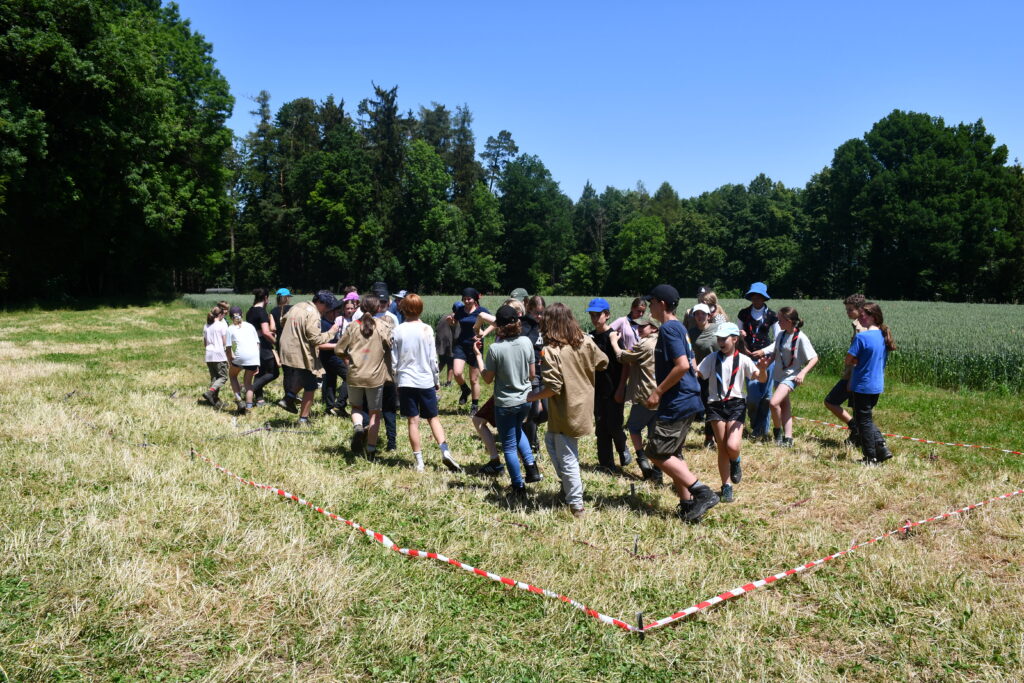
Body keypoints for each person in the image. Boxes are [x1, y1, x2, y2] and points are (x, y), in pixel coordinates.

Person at [643, 284, 720, 524]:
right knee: (673, 452)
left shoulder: (669, 329)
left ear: (662, 304)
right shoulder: (679, 328)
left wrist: (658, 391)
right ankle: (687, 504)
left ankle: (702, 492)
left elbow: (682, 365)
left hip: (678, 400)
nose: (649, 306)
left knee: (656, 451)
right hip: (687, 398)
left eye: (652, 302)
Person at [526, 303, 607, 518]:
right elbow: (603, 361)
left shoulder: (553, 351)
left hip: (566, 409)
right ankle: (569, 487)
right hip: (581, 407)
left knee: (568, 457)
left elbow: (553, 387)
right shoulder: (586, 341)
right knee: (550, 441)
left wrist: (530, 397)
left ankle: (577, 505)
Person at [696, 323, 769, 503]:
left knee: (732, 446)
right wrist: (689, 364)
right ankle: (726, 485)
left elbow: (760, 378)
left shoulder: (743, 359)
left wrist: (764, 369)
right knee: (722, 447)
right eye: (719, 339)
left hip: (736, 404)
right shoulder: (712, 358)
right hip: (715, 405)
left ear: (735, 339)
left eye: (724, 339)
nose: (720, 342)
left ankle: (736, 461)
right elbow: (699, 374)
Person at [475, 304, 543, 495]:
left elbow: (487, 379)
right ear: (517, 322)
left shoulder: (496, 349)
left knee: (509, 446)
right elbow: (531, 374)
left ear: (499, 326)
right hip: (525, 400)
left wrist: (479, 356)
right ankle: (531, 467)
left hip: (505, 402)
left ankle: (518, 485)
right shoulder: (526, 343)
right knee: (518, 430)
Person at [392, 293, 462, 472]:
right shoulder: (427, 329)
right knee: (433, 418)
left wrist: (396, 380)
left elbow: (394, 360)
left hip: (406, 380)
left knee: (412, 421)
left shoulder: (398, 330)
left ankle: (419, 462)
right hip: (425, 380)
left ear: (403, 308)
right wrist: (436, 380)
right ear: (420, 309)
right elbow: (433, 359)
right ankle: (445, 451)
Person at [336, 294, 394, 457]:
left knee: (356, 407)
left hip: (354, 374)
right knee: (375, 412)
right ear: (378, 308)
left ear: (360, 307)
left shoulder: (353, 326)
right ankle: (371, 449)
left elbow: (339, 350)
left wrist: (348, 360)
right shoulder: (382, 326)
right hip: (375, 377)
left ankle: (358, 427)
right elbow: (391, 344)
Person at [755, 307, 819, 447]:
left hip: (791, 377)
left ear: (789, 321)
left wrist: (803, 372)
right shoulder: (780, 335)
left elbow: (814, 358)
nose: (778, 323)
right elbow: (775, 354)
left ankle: (777, 433)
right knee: (785, 406)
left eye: (781, 320)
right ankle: (788, 439)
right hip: (778, 375)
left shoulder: (801, 337)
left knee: (773, 403)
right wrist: (765, 364)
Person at [611, 311, 663, 482]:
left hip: (645, 395)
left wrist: (614, 343)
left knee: (633, 428)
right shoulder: (661, 342)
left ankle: (642, 460)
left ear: (654, 328)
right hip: (660, 394)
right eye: (637, 325)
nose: (638, 328)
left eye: (643, 326)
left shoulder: (645, 344)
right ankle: (658, 472)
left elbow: (622, 357)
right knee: (655, 435)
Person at [277, 290, 340, 425]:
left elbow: (282, 321)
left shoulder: (298, 306)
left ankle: (288, 398)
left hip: (286, 348)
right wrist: (331, 332)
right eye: (327, 306)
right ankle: (303, 419)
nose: (328, 309)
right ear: (320, 303)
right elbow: (315, 339)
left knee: (306, 377)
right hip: (300, 351)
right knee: (311, 385)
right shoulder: (313, 314)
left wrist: (294, 330)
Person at [846, 302, 896, 465]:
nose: (860, 319)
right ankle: (880, 449)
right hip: (876, 385)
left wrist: (856, 361)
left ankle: (871, 457)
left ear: (873, 317)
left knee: (863, 422)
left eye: (863, 316)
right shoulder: (883, 336)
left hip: (862, 384)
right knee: (866, 419)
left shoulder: (862, 337)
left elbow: (849, 359)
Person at [587, 297, 631, 472]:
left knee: (614, 425)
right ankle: (606, 464)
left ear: (607, 315)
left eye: (598, 315)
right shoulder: (590, 338)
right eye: (592, 315)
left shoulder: (614, 337)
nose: (595, 318)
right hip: (597, 390)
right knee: (601, 427)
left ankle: (622, 447)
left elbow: (625, 364)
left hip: (614, 388)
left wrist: (621, 387)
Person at [736, 282, 780, 440]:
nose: (756, 299)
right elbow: (737, 336)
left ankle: (762, 431)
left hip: (767, 359)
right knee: (754, 397)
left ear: (764, 297)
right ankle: (755, 424)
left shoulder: (773, 316)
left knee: (766, 397)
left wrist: (764, 351)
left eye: (759, 296)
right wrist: (743, 345)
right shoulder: (743, 314)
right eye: (754, 296)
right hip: (748, 358)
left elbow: (778, 340)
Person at [824, 294, 867, 446]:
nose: (847, 312)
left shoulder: (861, 329)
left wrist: (851, 378)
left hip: (852, 375)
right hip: (855, 375)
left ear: (861, 309)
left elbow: (859, 356)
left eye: (850, 310)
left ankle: (857, 430)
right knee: (858, 409)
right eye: (846, 309)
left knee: (830, 401)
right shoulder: (859, 325)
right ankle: (858, 435)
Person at [446, 287, 490, 415]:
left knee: (474, 379)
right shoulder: (460, 310)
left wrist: (483, 334)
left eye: (469, 299)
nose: (466, 301)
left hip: (476, 346)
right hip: (461, 345)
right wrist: (451, 322)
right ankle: (465, 390)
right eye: (464, 299)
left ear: (475, 299)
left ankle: (474, 406)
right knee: (457, 372)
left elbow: (494, 323)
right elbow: (455, 322)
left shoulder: (482, 311)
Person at [689, 302, 720, 449]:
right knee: (703, 406)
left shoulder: (717, 328)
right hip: (700, 374)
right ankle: (708, 437)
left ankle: (710, 438)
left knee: (713, 406)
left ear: (708, 316)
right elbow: (690, 353)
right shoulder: (691, 332)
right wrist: (694, 369)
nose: (700, 316)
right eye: (697, 314)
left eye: (703, 313)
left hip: (718, 372)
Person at [521, 295, 547, 453]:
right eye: (536, 313)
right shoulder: (523, 325)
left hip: (546, 372)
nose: (539, 316)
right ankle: (531, 444)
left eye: (542, 313)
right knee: (534, 410)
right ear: (529, 310)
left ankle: (527, 428)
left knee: (548, 413)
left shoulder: (545, 325)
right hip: (531, 373)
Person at [246, 288, 279, 407]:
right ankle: (250, 389)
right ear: (265, 298)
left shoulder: (250, 311)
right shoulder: (262, 312)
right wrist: (277, 343)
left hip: (252, 344)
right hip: (263, 345)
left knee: (259, 373)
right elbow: (265, 332)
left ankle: (259, 399)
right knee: (273, 372)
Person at [224, 305, 261, 414]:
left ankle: (239, 399)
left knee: (232, 375)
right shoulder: (250, 326)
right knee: (248, 383)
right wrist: (257, 362)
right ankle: (249, 407)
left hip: (240, 355)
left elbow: (228, 348)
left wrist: (230, 360)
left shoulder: (230, 328)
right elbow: (257, 344)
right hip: (253, 356)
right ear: (242, 315)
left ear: (231, 317)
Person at [202, 305, 229, 408]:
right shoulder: (221, 325)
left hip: (209, 354)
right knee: (223, 377)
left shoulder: (206, 325)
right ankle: (210, 392)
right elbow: (225, 342)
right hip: (219, 355)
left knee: (214, 378)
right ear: (221, 314)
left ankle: (213, 401)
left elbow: (205, 343)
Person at [435, 309, 456, 387]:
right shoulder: (455, 317)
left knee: (442, 362)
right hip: (449, 343)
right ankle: (449, 382)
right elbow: (456, 332)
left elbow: (437, 329)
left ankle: (432, 379)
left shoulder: (444, 316)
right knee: (450, 363)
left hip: (441, 344)